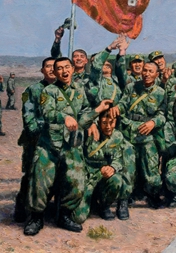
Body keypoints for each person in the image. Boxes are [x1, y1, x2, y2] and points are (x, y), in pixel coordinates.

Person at [24, 57, 112, 236]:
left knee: (76, 180)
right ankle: (36, 218)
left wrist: (97, 111)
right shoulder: (49, 91)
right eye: (59, 69)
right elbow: (47, 113)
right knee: (40, 180)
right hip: (49, 145)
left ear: (72, 69)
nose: (64, 71)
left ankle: (64, 215)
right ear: (55, 72)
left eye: (67, 67)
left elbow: (83, 115)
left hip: (72, 145)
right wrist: (64, 117)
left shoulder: (79, 89)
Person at [111, 60, 167, 208]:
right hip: (128, 131)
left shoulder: (160, 93)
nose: (146, 74)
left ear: (156, 74)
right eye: (145, 70)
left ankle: (152, 194)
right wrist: (117, 108)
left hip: (146, 134)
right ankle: (125, 199)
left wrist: (153, 122)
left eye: (150, 71)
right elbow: (123, 103)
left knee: (151, 167)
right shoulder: (131, 87)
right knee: (128, 167)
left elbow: (162, 115)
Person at [14, 57, 56, 223]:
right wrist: (40, 129)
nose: (51, 69)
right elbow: (28, 116)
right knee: (31, 174)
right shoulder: (32, 90)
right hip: (36, 140)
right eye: (48, 66)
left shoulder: (62, 90)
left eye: (54, 66)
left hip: (56, 141)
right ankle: (22, 206)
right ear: (42, 70)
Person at [73, 110, 132, 223]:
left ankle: (104, 206)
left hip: (102, 175)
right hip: (87, 175)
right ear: (98, 122)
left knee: (116, 180)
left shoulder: (117, 136)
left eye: (111, 122)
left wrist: (112, 168)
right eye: (104, 123)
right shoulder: (89, 132)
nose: (108, 127)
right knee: (78, 217)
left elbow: (118, 158)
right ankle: (89, 201)